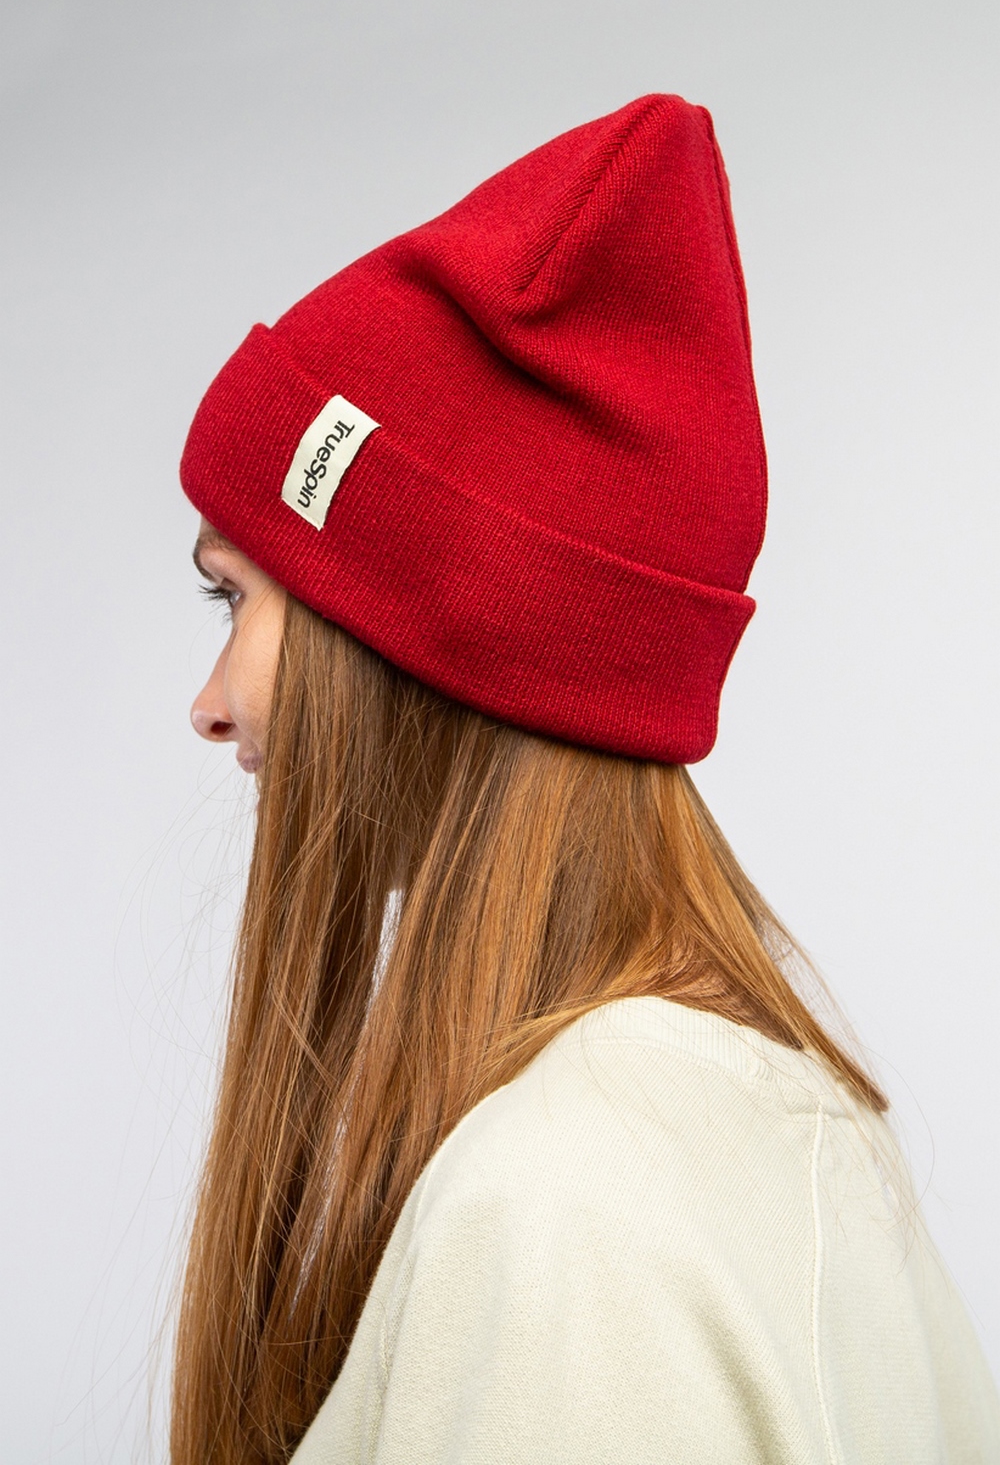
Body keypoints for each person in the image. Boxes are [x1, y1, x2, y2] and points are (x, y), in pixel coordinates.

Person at [174, 95, 1000, 1464]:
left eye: (238, 601)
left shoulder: (557, 1212)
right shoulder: (795, 1126)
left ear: (418, 639)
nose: (210, 707)